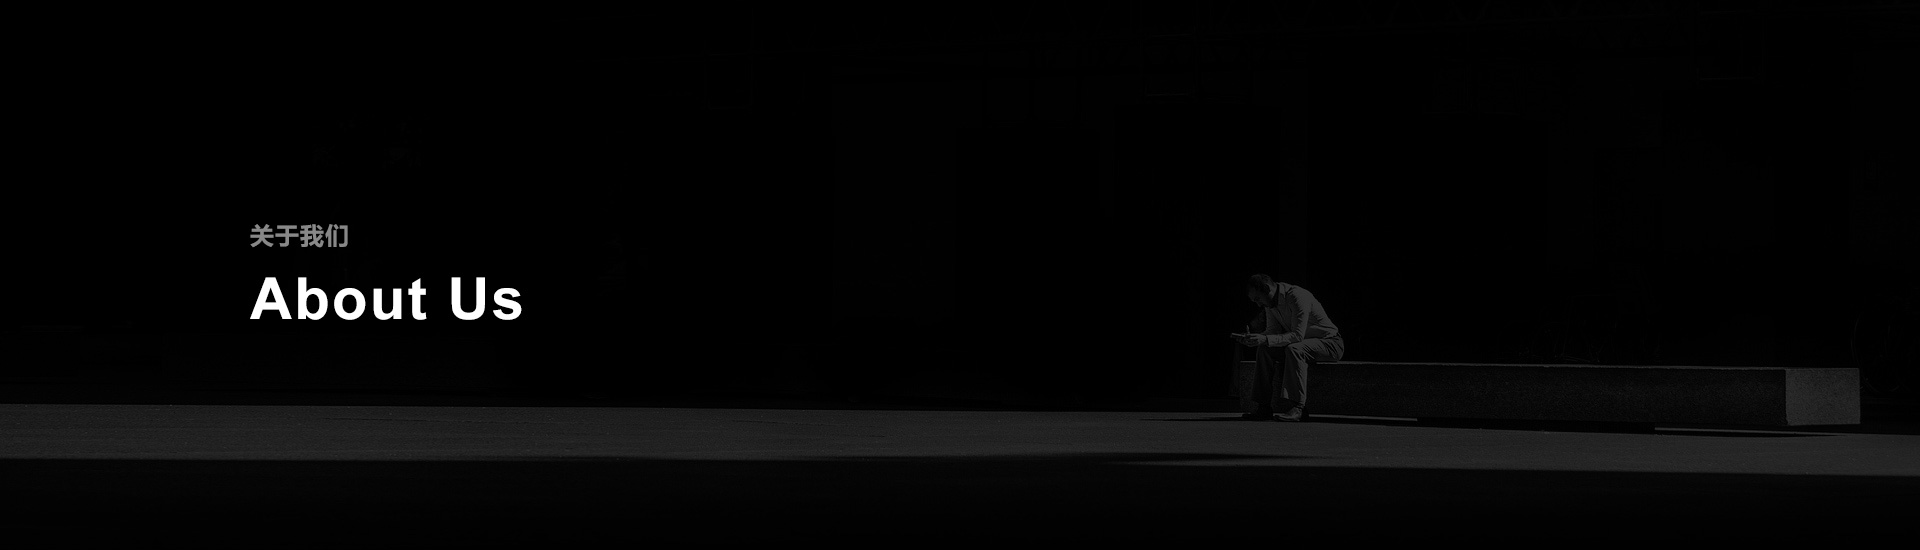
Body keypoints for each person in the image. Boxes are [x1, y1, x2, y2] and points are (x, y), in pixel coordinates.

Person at [1233, 274, 1344, 422]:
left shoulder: (1297, 296)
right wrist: (1255, 339)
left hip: (1330, 343)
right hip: (1302, 344)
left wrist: (1265, 339)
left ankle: (1299, 407)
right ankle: (1263, 407)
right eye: (1255, 301)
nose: (1259, 305)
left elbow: (1297, 335)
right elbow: (1272, 331)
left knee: (1294, 349)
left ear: (1267, 288)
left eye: (1258, 299)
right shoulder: (1270, 304)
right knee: (1264, 349)